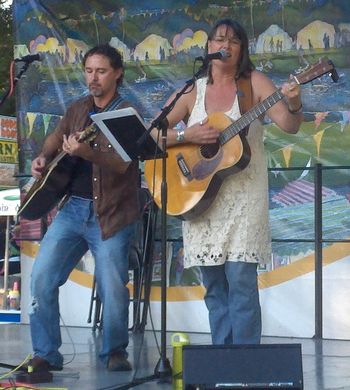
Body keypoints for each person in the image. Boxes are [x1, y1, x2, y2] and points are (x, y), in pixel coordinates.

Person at [152, 18, 303, 345]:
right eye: (219, 39)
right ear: (208, 48)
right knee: (215, 287)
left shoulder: (254, 84)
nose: (226, 45)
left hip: (245, 199)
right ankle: (221, 362)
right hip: (200, 198)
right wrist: (186, 134)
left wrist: (293, 100)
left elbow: (290, 125)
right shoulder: (192, 90)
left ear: (242, 50)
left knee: (241, 283)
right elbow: (151, 133)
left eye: (234, 41)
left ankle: (245, 368)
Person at [27, 44, 140, 371]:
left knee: (112, 288)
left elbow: (124, 164)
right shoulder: (77, 109)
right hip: (73, 209)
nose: (93, 78)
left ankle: (115, 351)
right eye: (89, 71)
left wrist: (88, 153)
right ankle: (45, 354)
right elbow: (56, 137)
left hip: (112, 211)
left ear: (117, 73)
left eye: (101, 71)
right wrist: (43, 158)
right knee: (42, 279)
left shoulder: (126, 114)